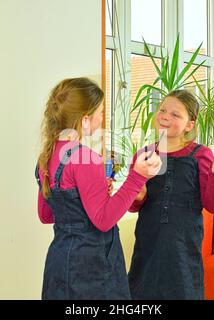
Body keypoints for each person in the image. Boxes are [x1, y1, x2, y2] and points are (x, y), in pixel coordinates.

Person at [35, 77, 162, 300]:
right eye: (100, 112)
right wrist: (137, 177)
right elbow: (103, 221)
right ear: (85, 119)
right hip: (92, 268)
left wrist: (96, 193)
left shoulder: (45, 157)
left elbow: (46, 215)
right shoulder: (86, 158)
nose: (103, 117)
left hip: (60, 262)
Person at [128, 90, 214, 300]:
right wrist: (139, 195)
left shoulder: (201, 154)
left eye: (175, 115)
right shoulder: (144, 154)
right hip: (148, 243)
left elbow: (212, 205)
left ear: (190, 124)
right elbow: (133, 206)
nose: (165, 117)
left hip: (183, 247)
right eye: (162, 110)